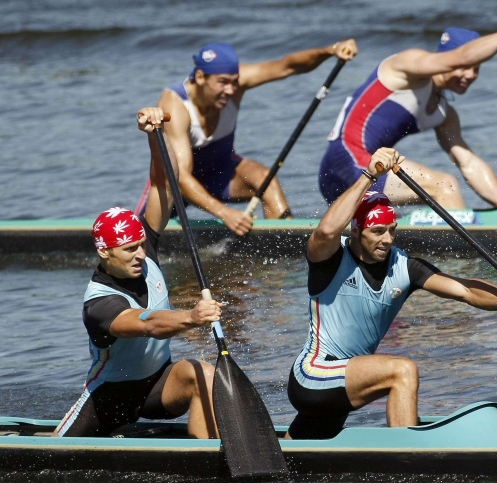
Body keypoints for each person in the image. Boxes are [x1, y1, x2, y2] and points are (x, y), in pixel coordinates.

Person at [286, 147, 497, 440]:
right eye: (377, 232)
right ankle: (408, 457)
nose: (387, 239)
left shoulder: (405, 268)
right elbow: (324, 232)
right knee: (402, 370)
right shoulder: (330, 261)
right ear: (356, 231)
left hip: (344, 388)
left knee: (299, 450)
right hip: (314, 375)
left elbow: (466, 290)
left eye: (392, 230)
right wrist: (370, 175)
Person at [56, 107, 223, 438]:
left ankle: (206, 461)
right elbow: (149, 325)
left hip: (158, 385)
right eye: (129, 249)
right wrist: (192, 317)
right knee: (48, 459)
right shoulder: (100, 305)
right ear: (105, 252)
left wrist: (152, 136)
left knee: (205, 375)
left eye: (141, 244)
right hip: (109, 397)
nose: (141, 254)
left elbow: (163, 184)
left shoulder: (145, 254)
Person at [318, 16, 497, 209]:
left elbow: (469, 164)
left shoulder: (444, 114)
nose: (470, 75)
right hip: (343, 161)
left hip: (370, 171)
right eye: (465, 67)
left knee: (396, 222)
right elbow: (462, 55)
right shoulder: (407, 65)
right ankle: (465, 263)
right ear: (445, 60)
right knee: (443, 185)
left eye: (477, 69)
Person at [136, 39, 359, 237]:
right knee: (143, 238)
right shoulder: (175, 106)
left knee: (265, 179)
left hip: (220, 176)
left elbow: (288, 66)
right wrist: (225, 214)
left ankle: (282, 248)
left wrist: (330, 51)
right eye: (223, 82)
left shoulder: (234, 84)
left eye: (234, 81)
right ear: (201, 77)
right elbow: (180, 177)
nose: (231, 90)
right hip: (174, 187)